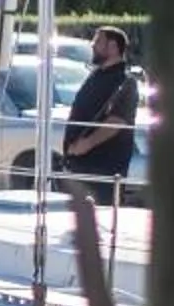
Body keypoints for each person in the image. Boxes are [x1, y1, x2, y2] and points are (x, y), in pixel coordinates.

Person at [59, 25, 141, 204]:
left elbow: (117, 121)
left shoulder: (125, 82)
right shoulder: (96, 76)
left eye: (98, 41)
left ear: (113, 47)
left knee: (101, 220)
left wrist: (87, 143)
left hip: (103, 168)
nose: (92, 45)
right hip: (80, 166)